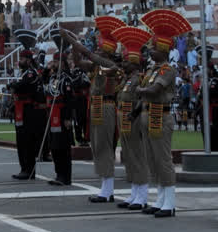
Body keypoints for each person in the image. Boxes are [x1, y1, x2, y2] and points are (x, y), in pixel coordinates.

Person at [137, 9, 191, 218]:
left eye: (153, 48)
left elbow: (153, 90)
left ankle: (169, 202)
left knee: (163, 159)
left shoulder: (167, 69)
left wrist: (141, 91)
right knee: (153, 160)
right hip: (149, 115)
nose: (150, 51)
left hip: (160, 114)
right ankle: (160, 199)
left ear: (163, 49)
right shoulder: (152, 69)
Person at [61, 27, 123, 203]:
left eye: (101, 47)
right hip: (96, 106)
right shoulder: (97, 66)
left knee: (104, 146)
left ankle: (108, 189)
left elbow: (88, 54)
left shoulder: (109, 65)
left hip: (106, 106)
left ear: (108, 52)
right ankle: (105, 187)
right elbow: (80, 61)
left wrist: (73, 40)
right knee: (97, 147)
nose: (97, 49)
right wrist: (73, 43)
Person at [111, 27, 153, 211]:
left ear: (135, 63)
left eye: (126, 61)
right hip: (125, 118)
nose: (123, 64)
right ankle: (134, 192)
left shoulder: (138, 79)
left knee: (137, 156)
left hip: (133, 120)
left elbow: (142, 100)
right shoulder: (127, 79)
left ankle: (142, 195)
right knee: (129, 156)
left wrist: (134, 114)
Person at [8, 44, 42, 180]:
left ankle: (29, 169)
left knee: (27, 140)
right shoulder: (22, 73)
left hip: (28, 110)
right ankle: (24, 168)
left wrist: (12, 85)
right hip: (20, 109)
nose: (19, 61)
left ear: (28, 60)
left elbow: (23, 85)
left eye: (22, 59)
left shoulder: (31, 72)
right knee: (21, 141)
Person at [46, 54, 74, 186]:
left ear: (62, 63)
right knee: (54, 147)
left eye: (56, 61)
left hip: (62, 115)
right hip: (52, 114)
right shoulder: (52, 78)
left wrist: (68, 117)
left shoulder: (66, 79)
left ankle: (65, 176)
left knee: (63, 147)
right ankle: (58, 174)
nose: (53, 64)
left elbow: (69, 100)